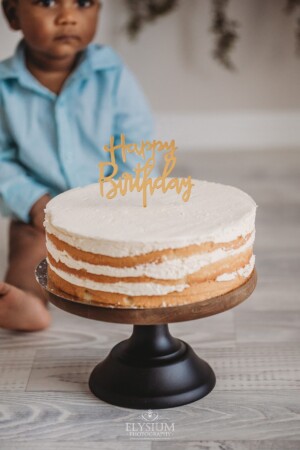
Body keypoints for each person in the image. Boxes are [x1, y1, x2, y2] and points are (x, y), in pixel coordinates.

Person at [0, 0, 160, 331]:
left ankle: (142, 292)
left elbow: (138, 142)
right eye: (47, 3)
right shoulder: (4, 87)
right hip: (42, 213)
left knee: (146, 243)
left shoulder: (111, 73)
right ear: (13, 16)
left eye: (84, 3)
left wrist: (121, 197)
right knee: (29, 248)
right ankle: (26, 301)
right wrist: (32, 202)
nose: (68, 17)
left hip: (112, 202)